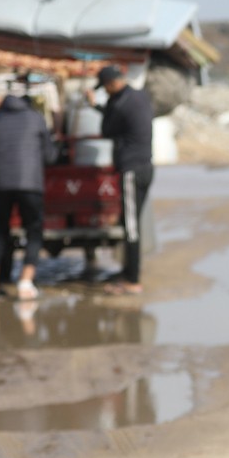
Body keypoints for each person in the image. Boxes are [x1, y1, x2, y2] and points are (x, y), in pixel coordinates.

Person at [0, 90, 58, 300]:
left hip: (0, 184)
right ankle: (25, 282)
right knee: (33, 230)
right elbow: (50, 156)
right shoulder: (36, 118)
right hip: (30, 183)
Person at [89, 65, 153, 295]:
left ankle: (132, 281)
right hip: (146, 167)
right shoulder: (139, 97)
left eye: (105, 88)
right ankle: (128, 272)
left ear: (111, 84)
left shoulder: (119, 104)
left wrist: (95, 106)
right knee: (131, 222)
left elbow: (107, 129)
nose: (105, 92)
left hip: (131, 171)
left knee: (131, 227)